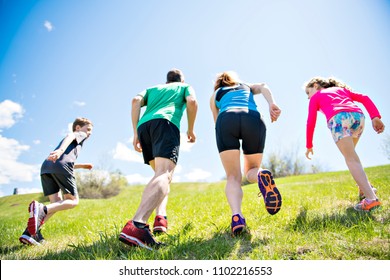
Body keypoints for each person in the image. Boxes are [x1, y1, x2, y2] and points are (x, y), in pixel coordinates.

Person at [119, 68, 198, 250]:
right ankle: (137, 224)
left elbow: (135, 101)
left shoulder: (152, 89)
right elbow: (192, 102)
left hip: (144, 127)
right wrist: (191, 129)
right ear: (181, 79)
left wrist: (135, 133)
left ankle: (160, 218)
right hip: (166, 122)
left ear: (167, 80)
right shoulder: (184, 86)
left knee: (159, 175)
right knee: (165, 174)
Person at [210, 71, 282, 236]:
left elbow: (216, 121)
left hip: (226, 119)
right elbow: (263, 86)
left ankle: (237, 217)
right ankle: (261, 174)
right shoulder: (246, 86)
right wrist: (271, 103)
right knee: (252, 169)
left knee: (233, 177)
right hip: (253, 118)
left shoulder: (215, 94)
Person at [304, 76, 385, 211]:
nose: (308, 97)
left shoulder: (316, 97)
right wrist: (375, 116)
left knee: (351, 158)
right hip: (358, 118)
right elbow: (364, 98)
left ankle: (371, 199)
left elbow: (310, 121)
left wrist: (309, 145)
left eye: (308, 92)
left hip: (338, 119)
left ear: (316, 85)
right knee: (352, 156)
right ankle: (365, 188)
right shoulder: (340, 90)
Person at [19, 117, 93, 245]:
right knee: (73, 201)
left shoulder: (74, 147)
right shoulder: (79, 134)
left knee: (56, 204)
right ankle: (42, 209)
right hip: (60, 165)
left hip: (47, 167)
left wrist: (82, 166)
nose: (89, 133)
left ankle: (30, 233)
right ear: (78, 127)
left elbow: (64, 162)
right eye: (88, 129)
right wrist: (60, 150)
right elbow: (70, 136)